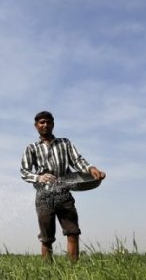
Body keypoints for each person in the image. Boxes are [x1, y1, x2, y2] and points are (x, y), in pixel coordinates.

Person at [20, 111, 106, 262]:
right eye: (42, 122)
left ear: (53, 124)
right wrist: (39, 177)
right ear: (36, 126)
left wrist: (91, 169)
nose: (45, 125)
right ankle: (48, 273)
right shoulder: (32, 148)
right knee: (47, 238)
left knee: (73, 232)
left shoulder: (64, 143)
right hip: (43, 196)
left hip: (64, 194)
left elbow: (77, 160)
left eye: (48, 122)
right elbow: (24, 171)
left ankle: (73, 270)